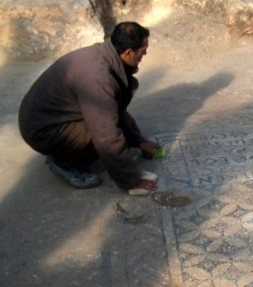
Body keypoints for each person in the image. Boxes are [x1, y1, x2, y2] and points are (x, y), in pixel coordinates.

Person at [18, 21, 161, 193]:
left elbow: (113, 108)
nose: (144, 55)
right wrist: (131, 180)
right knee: (103, 135)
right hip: (43, 130)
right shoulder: (98, 78)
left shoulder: (106, 53)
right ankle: (63, 161)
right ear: (129, 52)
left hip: (49, 117)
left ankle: (67, 153)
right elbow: (106, 136)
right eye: (142, 52)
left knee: (110, 123)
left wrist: (138, 141)